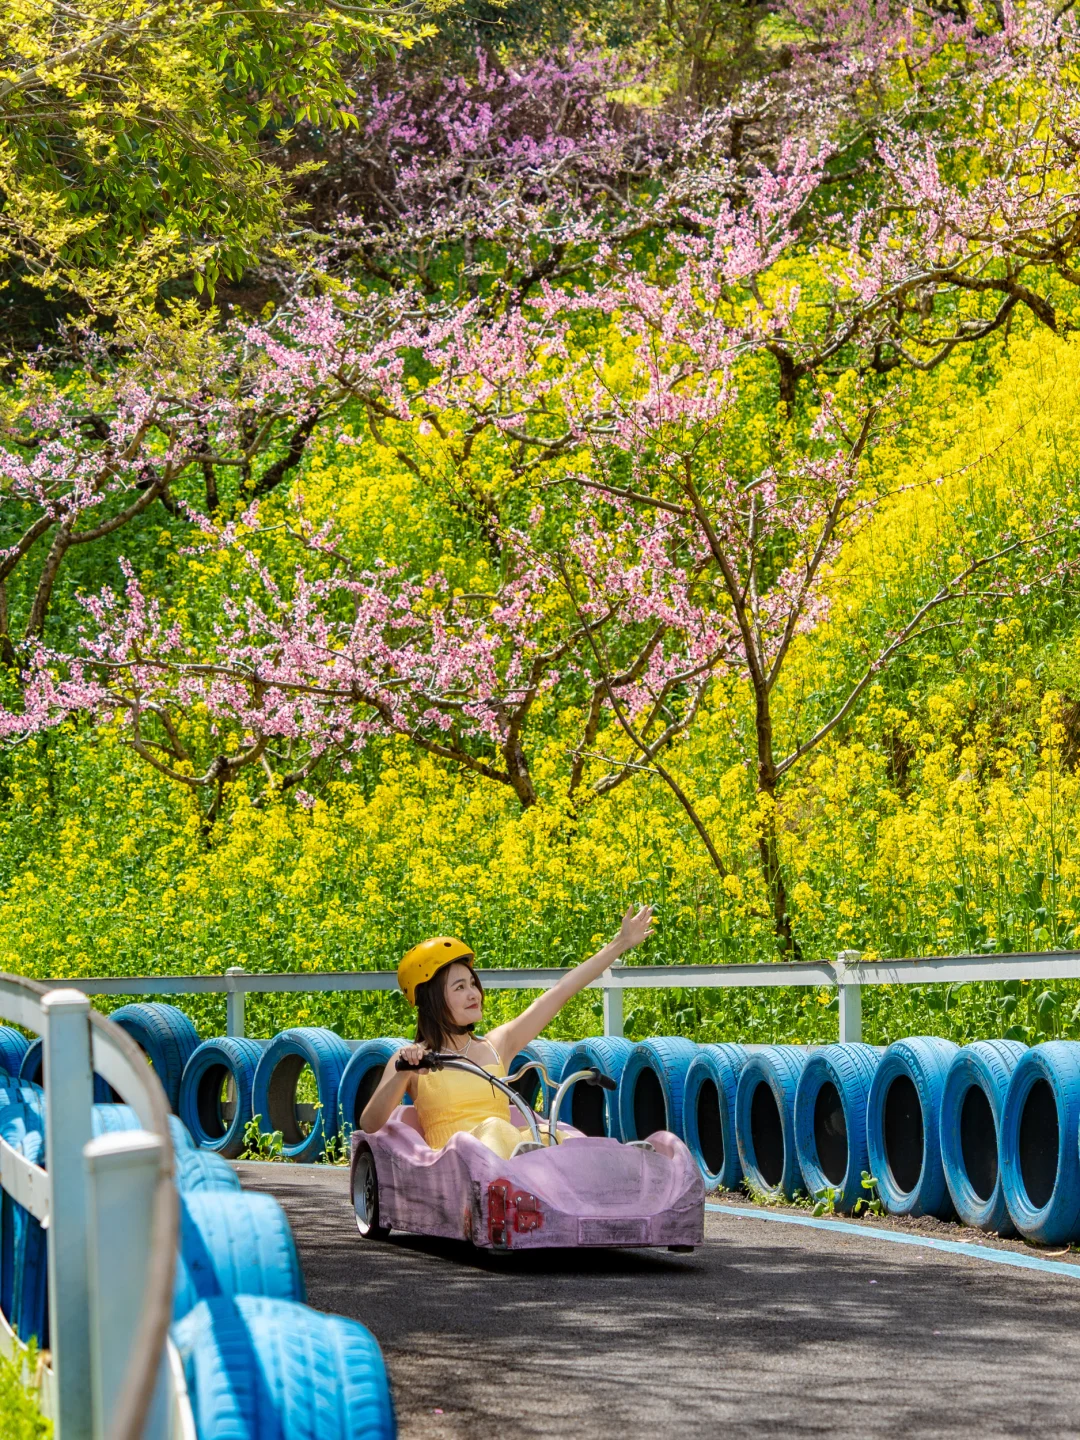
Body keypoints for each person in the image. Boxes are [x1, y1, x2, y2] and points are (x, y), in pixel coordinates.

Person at [359, 905, 654, 1159]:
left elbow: (561, 992)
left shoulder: (496, 1044)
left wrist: (620, 943)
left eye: (473, 984)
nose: (473, 993)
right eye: (459, 987)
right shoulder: (412, 1059)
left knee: (555, 1135)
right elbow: (371, 1123)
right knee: (497, 1129)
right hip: (456, 1164)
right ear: (432, 1000)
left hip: (510, 1155)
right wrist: (402, 1071)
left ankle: (615, 1163)